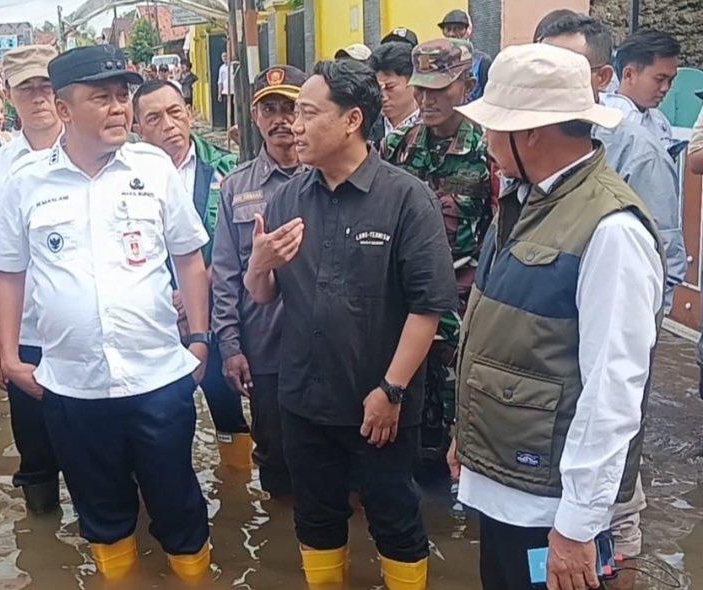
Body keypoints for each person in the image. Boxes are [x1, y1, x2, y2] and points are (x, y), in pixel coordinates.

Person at [0, 45, 212, 583]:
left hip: (158, 378)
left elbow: (188, 256)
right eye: (101, 97)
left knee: (179, 505)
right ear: (64, 109)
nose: (118, 108)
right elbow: (7, 271)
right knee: (101, 515)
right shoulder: (26, 183)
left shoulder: (153, 169)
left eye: (121, 96)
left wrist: (200, 338)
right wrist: (9, 355)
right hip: (73, 387)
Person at [446, 44, 663, 590]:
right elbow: (493, 338)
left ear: (530, 133)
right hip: (505, 486)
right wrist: (466, 438)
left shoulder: (612, 230)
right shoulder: (522, 202)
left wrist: (577, 527)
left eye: (494, 127)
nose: (485, 140)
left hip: (552, 508)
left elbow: (614, 391)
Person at [244, 59, 455, 588]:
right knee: (315, 518)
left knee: (394, 517)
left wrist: (392, 389)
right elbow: (263, 295)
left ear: (352, 120)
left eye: (308, 113)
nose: (294, 125)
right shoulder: (289, 197)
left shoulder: (406, 199)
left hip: (379, 405)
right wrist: (258, 266)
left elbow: (428, 308)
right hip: (304, 399)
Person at [533, 14, 683, 590]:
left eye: (561, 69)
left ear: (600, 76)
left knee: (615, 500)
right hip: (549, 365)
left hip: (603, 346)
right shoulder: (533, 156)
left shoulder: (633, 147)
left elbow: (661, 252)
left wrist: (632, 334)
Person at [0, 44, 65, 515]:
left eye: (46, 87)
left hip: (86, 332)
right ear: (8, 95)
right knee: (36, 452)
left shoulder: (93, 154)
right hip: (26, 335)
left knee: (104, 448)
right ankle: (42, 535)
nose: (39, 98)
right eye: (27, 89)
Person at [382, 38, 497, 466]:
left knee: (465, 403)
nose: (427, 100)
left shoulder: (488, 150)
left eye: (439, 89)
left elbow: (502, 231)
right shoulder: (397, 147)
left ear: (467, 86)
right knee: (409, 398)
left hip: (464, 299)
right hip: (409, 298)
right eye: (420, 88)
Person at [132, 79, 251, 467]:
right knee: (156, 416)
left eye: (175, 112)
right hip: (152, 318)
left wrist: (194, 290)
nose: (168, 125)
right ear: (137, 128)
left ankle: (236, 488)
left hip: (216, 312)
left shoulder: (227, 169)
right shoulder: (123, 179)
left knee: (227, 406)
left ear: (190, 113)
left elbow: (243, 244)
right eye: (154, 118)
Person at [212, 65, 307, 497]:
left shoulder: (327, 177)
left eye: (290, 108)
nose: (280, 119)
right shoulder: (236, 187)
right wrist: (230, 347)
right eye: (269, 109)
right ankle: (278, 532)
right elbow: (225, 276)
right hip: (265, 348)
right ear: (255, 117)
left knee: (336, 455)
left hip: (326, 347)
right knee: (274, 455)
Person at [601, 30, 679, 148]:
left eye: (670, 80)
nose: (665, 88)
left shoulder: (659, 121)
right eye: (659, 79)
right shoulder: (606, 119)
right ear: (629, 75)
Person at [369, 42, 421, 140]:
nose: (382, 96)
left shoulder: (432, 127)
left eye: (390, 87)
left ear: (412, 81)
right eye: (378, 88)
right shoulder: (366, 129)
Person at [437, 9, 491, 101]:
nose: (452, 34)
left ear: (468, 31)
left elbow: (488, 96)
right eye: (448, 29)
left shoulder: (481, 61)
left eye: (458, 29)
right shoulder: (439, 61)